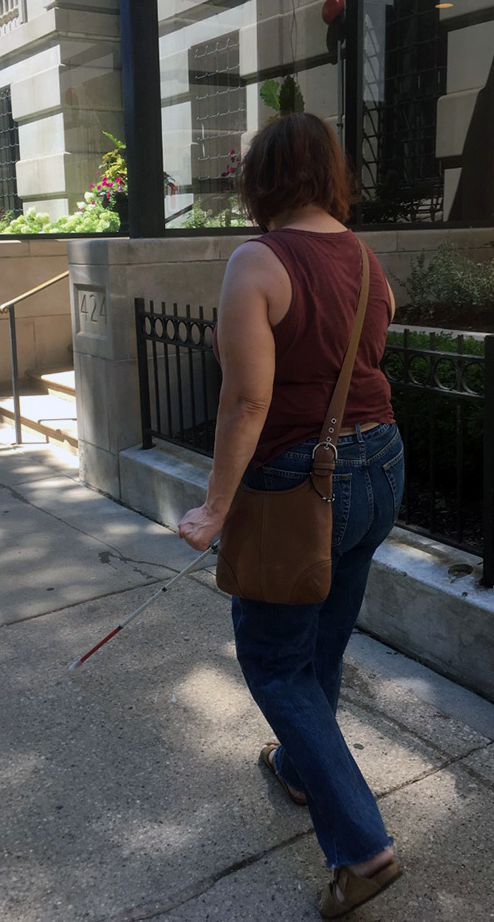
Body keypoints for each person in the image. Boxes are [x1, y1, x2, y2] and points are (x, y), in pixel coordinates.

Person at [178, 112, 405, 918]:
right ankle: (305, 771)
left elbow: (247, 400)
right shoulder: (367, 258)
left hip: (302, 481)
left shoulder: (260, 260)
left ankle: (364, 851)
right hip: (380, 464)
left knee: (275, 664)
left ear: (262, 178)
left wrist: (213, 508)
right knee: (323, 642)